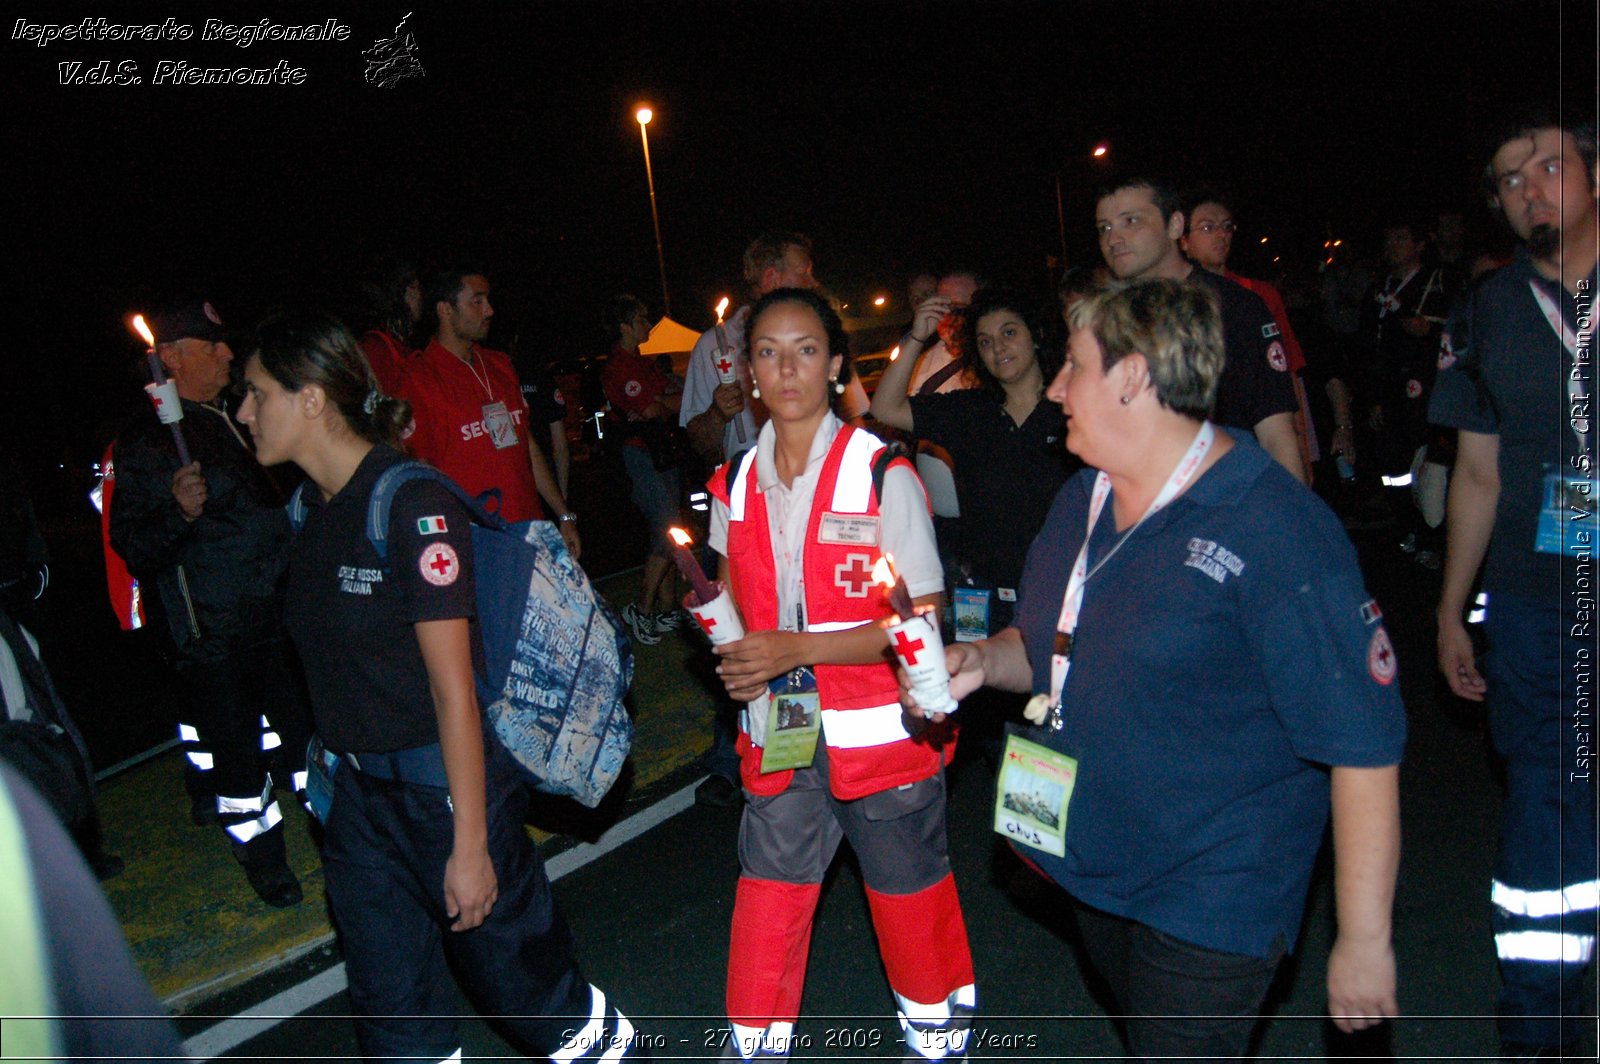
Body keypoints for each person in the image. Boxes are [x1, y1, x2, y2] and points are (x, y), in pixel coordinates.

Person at [910, 279, 1405, 1058]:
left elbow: (1362, 744)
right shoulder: (1080, 497)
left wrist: (1365, 938)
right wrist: (978, 658)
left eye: (1074, 366)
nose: (1059, 386)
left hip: (1218, 882)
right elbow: (1046, 645)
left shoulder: (1273, 527)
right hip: (1099, 859)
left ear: (1135, 377)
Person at [237, 312, 648, 1063]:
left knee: (534, 1001)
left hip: (444, 793)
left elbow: (455, 691)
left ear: (311, 399)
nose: (242, 411)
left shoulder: (410, 505)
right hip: (359, 808)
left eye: (256, 392)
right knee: (394, 1017)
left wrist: (470, 850)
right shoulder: (306, 513)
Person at [706, 288, 976, 1060]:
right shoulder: (733, 485)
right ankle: (752, 1047)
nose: (786, 368)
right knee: (768, 894)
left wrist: (796, 650)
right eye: (767, 352)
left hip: (883, 740)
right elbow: (731, 607)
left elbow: (918, 623)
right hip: (780, 735)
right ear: (749, 371)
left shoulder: (882, 471)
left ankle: (938, 1039)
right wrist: (738, 664)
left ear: (833, 365)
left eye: (805, 350)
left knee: (908, 899)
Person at [1429, 112, 1598, 1059]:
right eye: (1508, 179)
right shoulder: (1488, 313)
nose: (1530, 189)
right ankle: (1543, 1029)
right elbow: (1478, 474)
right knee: (1549, 798)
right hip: (1537, 600)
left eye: (1549, 167)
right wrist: (1453, 608)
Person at [108, 297, 311, 907]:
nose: (227, 353)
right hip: (214, 639)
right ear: (170, 358)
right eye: (211, 345)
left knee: (305, 747)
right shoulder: (148, 443)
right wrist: (177, 511)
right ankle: (263, 858)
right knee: (239, 769)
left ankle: (338, 834)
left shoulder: (231, 416)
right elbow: (133, 544)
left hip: (275, 621)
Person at [680, 232, 819, 807]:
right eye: (803, 271)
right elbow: (695, 437)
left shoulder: (817, 330)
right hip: (743, 490)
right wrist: (718, 411)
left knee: (809, 612)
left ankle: (820, 749)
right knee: (739, 616)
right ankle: (739, 753)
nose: (812, 281)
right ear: (769, 277)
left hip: (813, 481)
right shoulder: (711, 346)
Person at [871, 287, 1075, 633]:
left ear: (1036, 336)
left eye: (1009, 332)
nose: (998, 347)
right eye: (984, 341)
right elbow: (885, 408)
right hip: (986, 602)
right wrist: (918, 337)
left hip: (1062, 597)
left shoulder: (1073, 408)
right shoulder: (972, 411)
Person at [1094, 176, 1308, 482]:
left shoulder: (1234, 307)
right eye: (1105, 227)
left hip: (1227, 503)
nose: (1114, 239)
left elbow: (1277, 433)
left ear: (1175, 225)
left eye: (1130, 221)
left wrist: (1290, 519)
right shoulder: (1108, 322)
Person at [397, 266, 581, 557]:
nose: (490, 310)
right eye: (477, 301)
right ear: (446, 310)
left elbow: (526, 445)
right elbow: (417, 473)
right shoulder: (420, 380)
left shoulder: (499, 366)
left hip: (531, 532)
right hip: (476, 545)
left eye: (488, 300)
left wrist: (564, 515)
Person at [1181, 190, 1320, 471]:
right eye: (1208, 227)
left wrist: (1300, 442)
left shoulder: (1258, 295)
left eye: (1227, 226)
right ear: (1183, 239)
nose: (1221, 235)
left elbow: (1287, 370)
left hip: (1259, 437)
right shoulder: (1174, 303)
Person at [600, 294, 687, 644]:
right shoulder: (620, 366)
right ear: (624, 325)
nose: (647, 324)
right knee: (669, 525)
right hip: (640, 454)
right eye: (640, 318)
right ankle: (641, 608)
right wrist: (679, 399)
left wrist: (670, 400)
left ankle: (666, 608)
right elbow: (652, 409)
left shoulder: (641, 361)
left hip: (660, 451)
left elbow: (666, 396)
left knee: (666, 527)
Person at [903, 270, 984, 396]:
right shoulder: (920, 362)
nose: (946, 314)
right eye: (940, 305)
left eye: (957, 308)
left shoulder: (995, 359)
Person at [355, 257, 423, 396]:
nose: (421, 296)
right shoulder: (375, 348)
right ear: (408, 289)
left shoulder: (400, 344)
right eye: (417, 287)